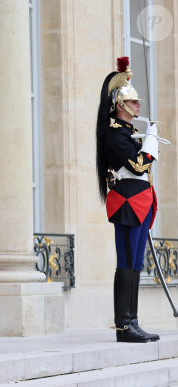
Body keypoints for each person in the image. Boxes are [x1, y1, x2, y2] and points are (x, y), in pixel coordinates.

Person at [96, 57, 162, 343]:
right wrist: (150, 143)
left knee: (136, 262)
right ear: (120, 106)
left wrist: (146, 140)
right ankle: (123, 325)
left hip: (141, 201)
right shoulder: (115, 135)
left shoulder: (128, 134)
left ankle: (133, 321)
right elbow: (137, 165)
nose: (138, 106)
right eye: (133, 103)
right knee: (125, 261)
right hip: (127, 203)